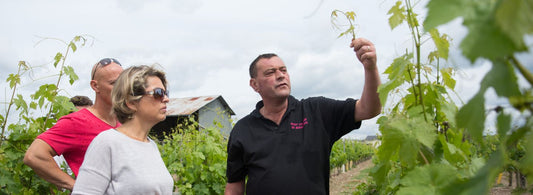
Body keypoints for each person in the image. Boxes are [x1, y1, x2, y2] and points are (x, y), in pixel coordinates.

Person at [225, 38, 382, 194]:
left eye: (283, 70)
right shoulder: (243, 130)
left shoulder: (318, 112)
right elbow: (234, 186)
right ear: (254, 84)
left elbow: (369, 109)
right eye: (270, 72)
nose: (280, 75)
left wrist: (370, 68)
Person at [23, 58, 123, 191]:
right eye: (114, 83)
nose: (121, 89)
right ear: (95, 86)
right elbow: (34, 155)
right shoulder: (77, 121)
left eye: (124, 83)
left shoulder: (123, 122)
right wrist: (78, 188)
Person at [72, 65, 174, 194]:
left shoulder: (151, 145)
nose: (166, 99)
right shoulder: (107, 142)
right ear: (131, 102)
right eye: (158, 93)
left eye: (166, 93)